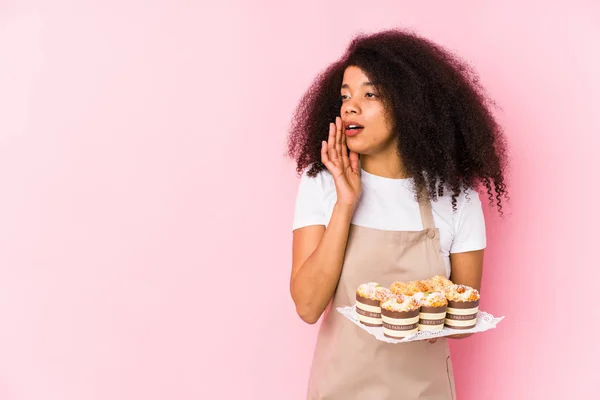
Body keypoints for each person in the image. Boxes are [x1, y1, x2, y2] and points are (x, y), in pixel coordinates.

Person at [286, 29, 509, 399]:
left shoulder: (456, 199)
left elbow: (463, 323)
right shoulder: (321, 186)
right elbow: (308, 307)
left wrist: (409, 312)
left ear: (411, 104)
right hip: (340, 389)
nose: (350, 107)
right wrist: (345, 203)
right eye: (345, 96)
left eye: (370, 94)